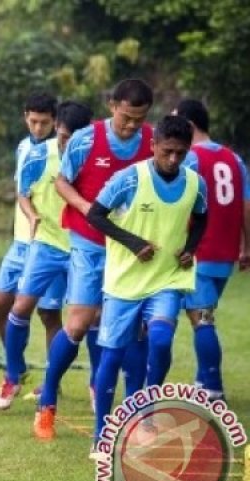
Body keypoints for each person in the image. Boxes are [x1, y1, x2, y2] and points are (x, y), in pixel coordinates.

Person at [86, 115, 207, 454]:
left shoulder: (196, 183)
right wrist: (133, 242)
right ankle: (101, 435)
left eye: (180, 154)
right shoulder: (128, 179)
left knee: (160, 338)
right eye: (167, 151)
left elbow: (202, 215)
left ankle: (146, 411)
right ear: (153, 145)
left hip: (167, 278)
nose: (173, 160)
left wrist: (192, 248)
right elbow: (95, 214)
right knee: (110, 357)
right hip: (124, 282)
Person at [41, 79, 155, 416]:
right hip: (89, 241)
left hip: (131, 248)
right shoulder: (85, 139)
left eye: (140, 118)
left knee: (135, 326)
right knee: (78, 323)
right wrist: (85, 206)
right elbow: (61, 182)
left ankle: (134, 411)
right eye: (126, 117)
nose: (132, 125)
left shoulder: (152, 141)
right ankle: (47, 399)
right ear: (112, 105)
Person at [0, 101, 92, 412]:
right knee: (20, 305)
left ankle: (83, 385)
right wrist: (32, 215)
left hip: (82, 247)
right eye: (62, 137)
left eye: (72, 139)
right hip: (47, 244)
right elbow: (24, 193)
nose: (66, 144)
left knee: (83, 319)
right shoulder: (39, 154)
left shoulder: (94, 158)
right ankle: (12, 376)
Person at [173, 99, 250, 401]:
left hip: (198, 252)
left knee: (202, 319)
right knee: (204, 314)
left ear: (189, 126)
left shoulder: (189, 159)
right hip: (225, 253)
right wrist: (246, 245)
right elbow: (245, 206)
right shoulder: (234, 159)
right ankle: (202, 381)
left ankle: (214, 388)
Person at [0, 93, 64, 401]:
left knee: (49, 314)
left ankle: (52, 380)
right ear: (25, 117)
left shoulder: (62, 152)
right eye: (33, 121)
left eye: (44, 122)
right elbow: (23, 193)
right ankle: (16, 370)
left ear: (54, 121)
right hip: (21, 244)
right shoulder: (23, 147)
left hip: (49, 243)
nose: (37, 127)